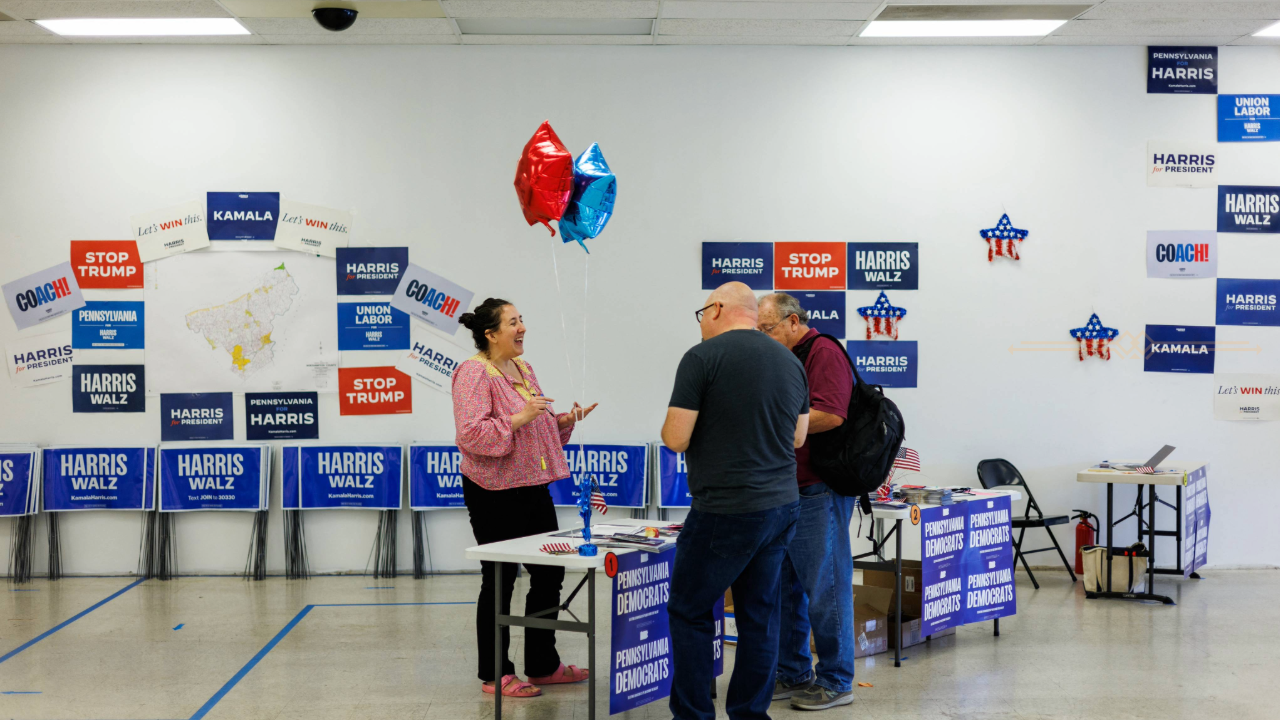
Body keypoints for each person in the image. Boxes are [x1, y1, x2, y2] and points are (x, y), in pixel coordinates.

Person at [661, 281, 810, 720]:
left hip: (726, 508)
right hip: (782, 505)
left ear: (718, 309)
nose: (701, 322)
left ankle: (692, 715)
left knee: (689, 611)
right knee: (760, 616)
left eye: (701, 312)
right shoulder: (790, 360)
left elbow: (675, 438)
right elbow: (799, 436)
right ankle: (749, 713)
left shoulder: (701, 358)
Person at [452, 297, 598, 699]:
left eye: (522, 320)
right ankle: (494, 674)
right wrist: (522, 417)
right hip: (493, 492)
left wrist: (563, 421)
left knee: (549, 573)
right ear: (491, 333)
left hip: (532, 486)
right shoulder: (473, 373)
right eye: (513, 322)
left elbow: (535, 425)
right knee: (499, 581)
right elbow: (472, 435)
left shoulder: (523, 367)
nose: (522, 328)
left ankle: (542, 663)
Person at [757, 292, 857, 711]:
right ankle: (793, 671)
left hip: (819, 489)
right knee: (784, 589)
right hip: (786, 489)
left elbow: (831, 413)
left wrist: (770, 423)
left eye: (768, 329)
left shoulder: (824, 352)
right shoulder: (781, 358)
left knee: (826, 587)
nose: (762, 337)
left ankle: (836, 679)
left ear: (793, 322)